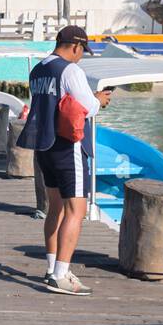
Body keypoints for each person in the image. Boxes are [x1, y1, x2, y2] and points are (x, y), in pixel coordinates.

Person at [16, 25, 111, 296]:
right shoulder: (70, 70)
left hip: (44, 146)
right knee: (76, 212)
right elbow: (86, 107)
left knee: (55, 207)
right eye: (83, 51)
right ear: (75, 47)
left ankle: (51, 268)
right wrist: (98, 100)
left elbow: (52, 102)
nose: (82, 56)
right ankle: (61, 275)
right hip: (68, 146)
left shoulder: (38, 69)